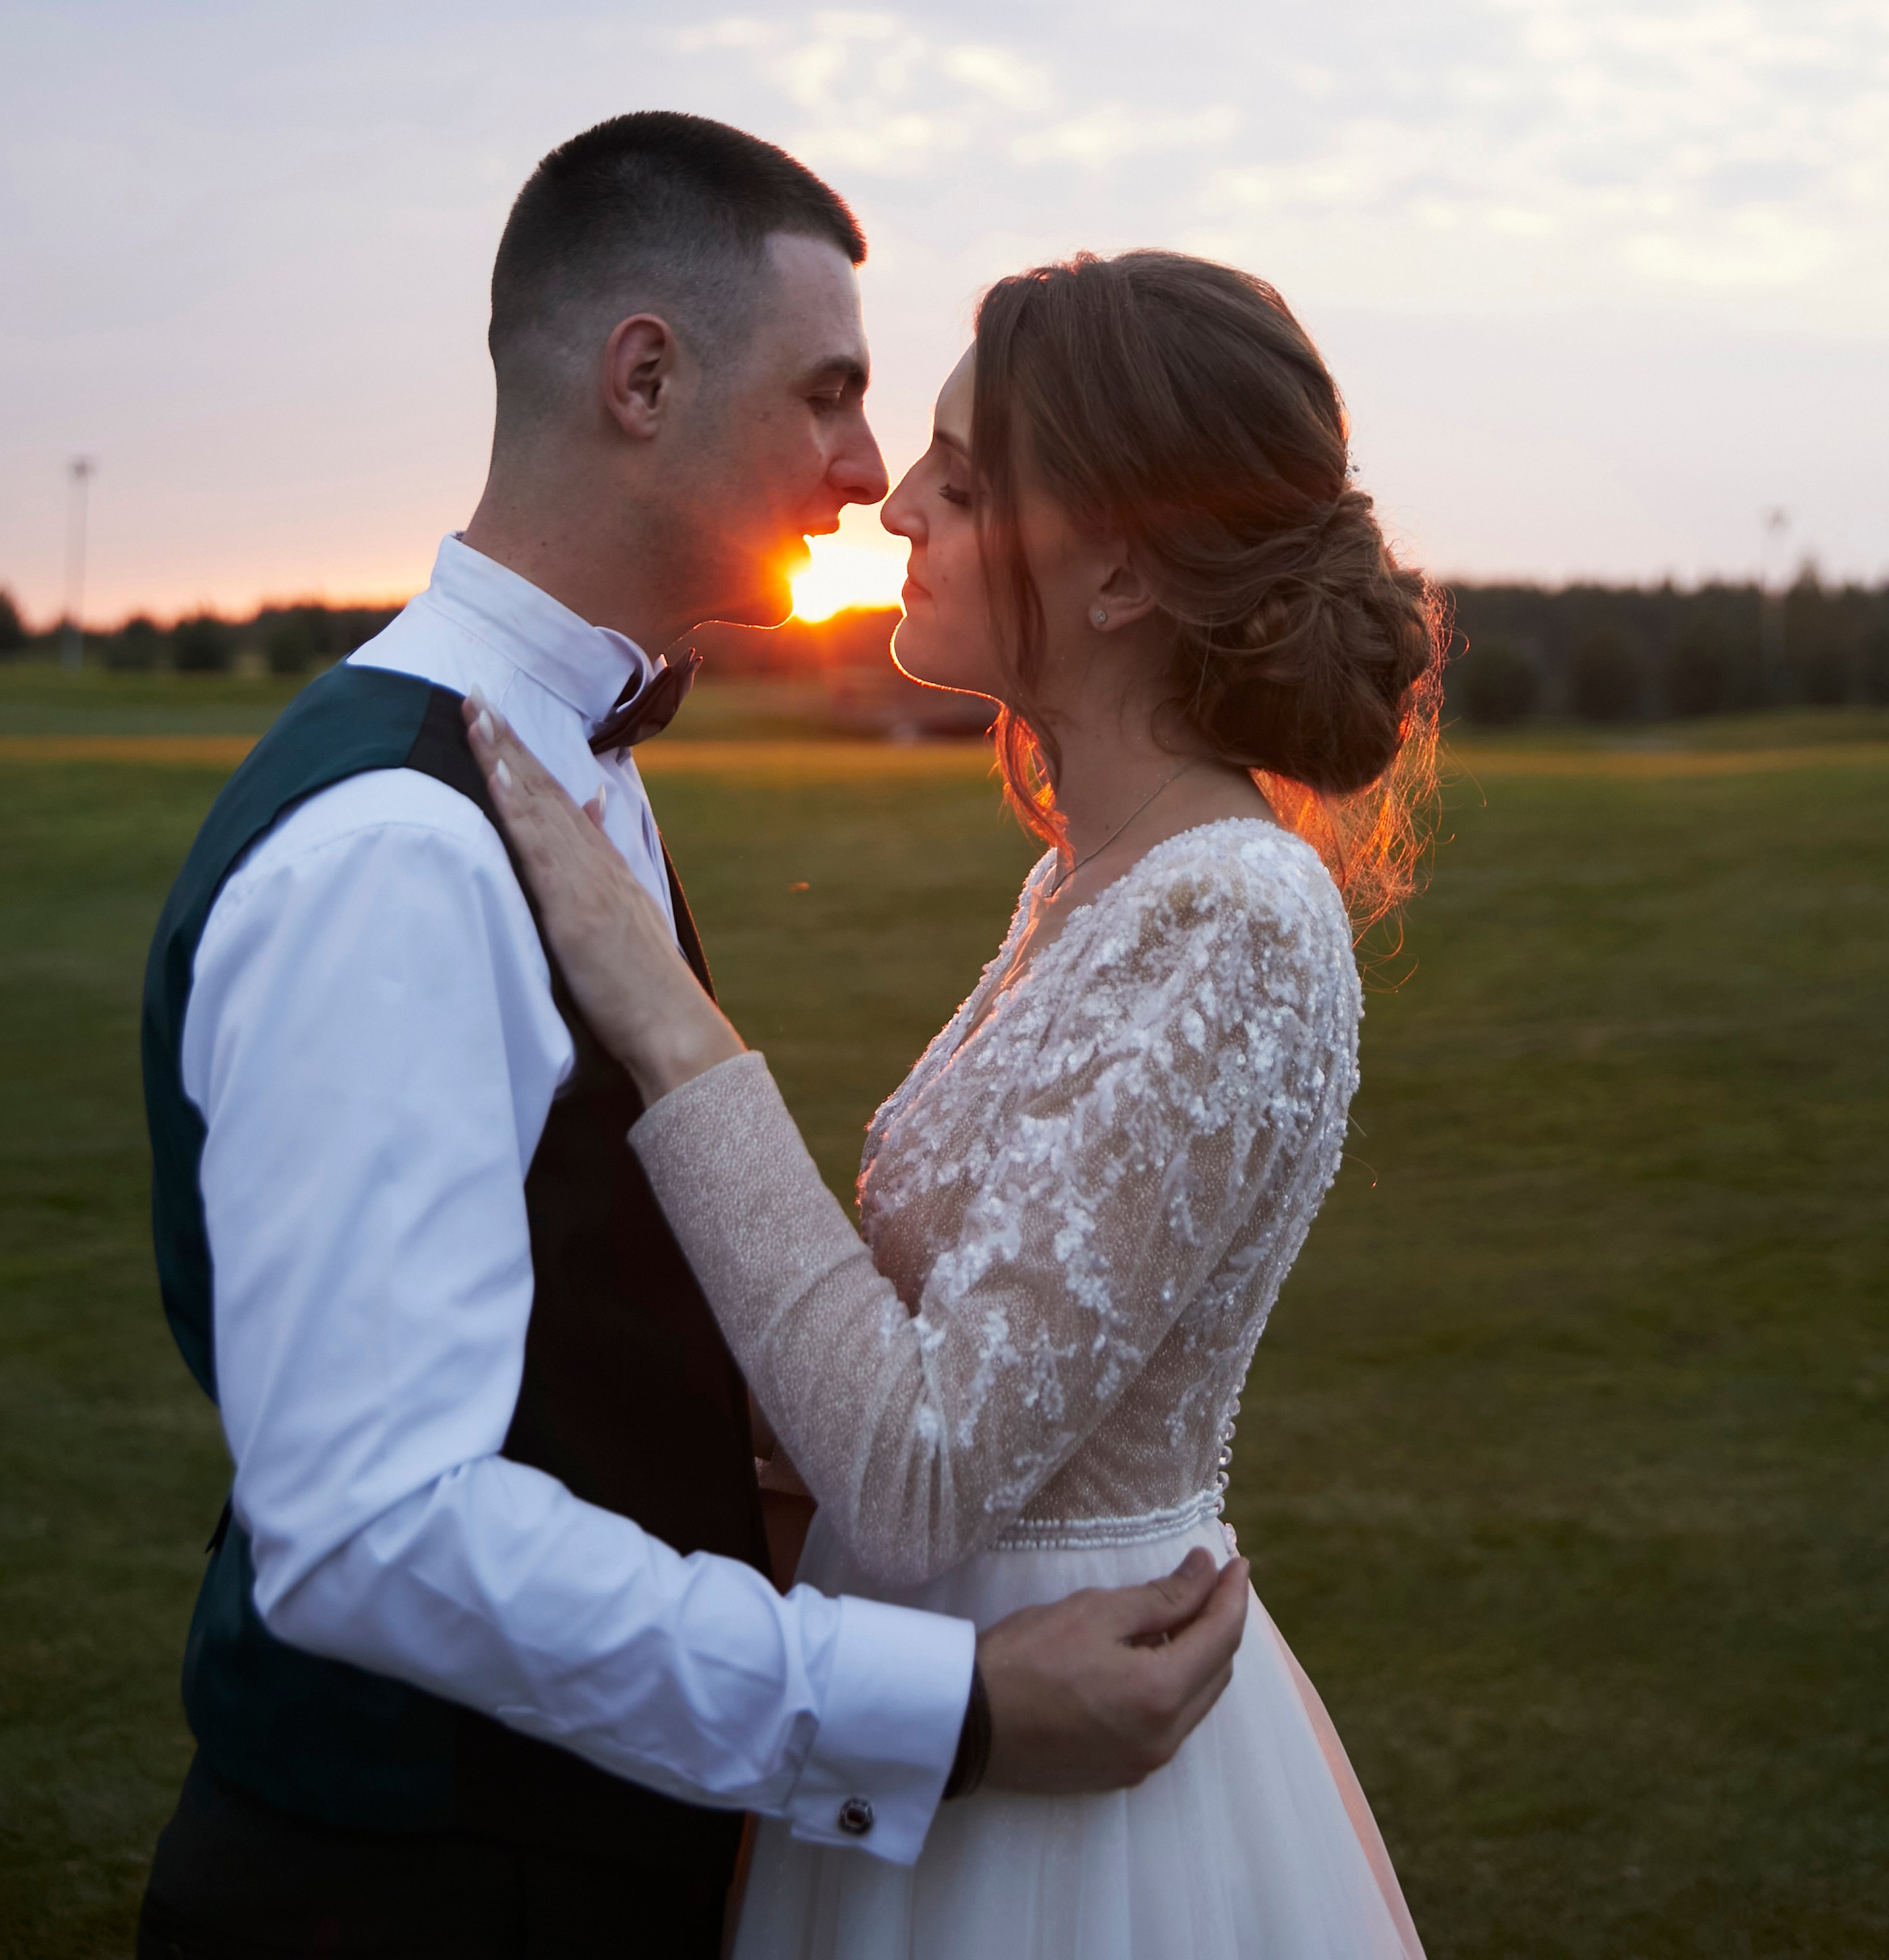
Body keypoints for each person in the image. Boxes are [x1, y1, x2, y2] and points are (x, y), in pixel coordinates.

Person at [136, 119, 1248, 1960]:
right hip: (420, 1886)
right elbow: (370, 1531)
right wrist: (942, 1707)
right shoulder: (400, 846)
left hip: (594, 1844)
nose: (870, 467)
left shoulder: (564, 768)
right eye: (828, 393)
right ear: (643, 375)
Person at [468, 245, 1441, 1959]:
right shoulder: (1080, 882)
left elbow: (923, 1466)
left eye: (963, 478)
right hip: (928, 1692)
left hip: (1071, 1774)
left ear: (1125, 565)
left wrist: (664, 1019)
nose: (892, 504)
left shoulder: (1237, 919)